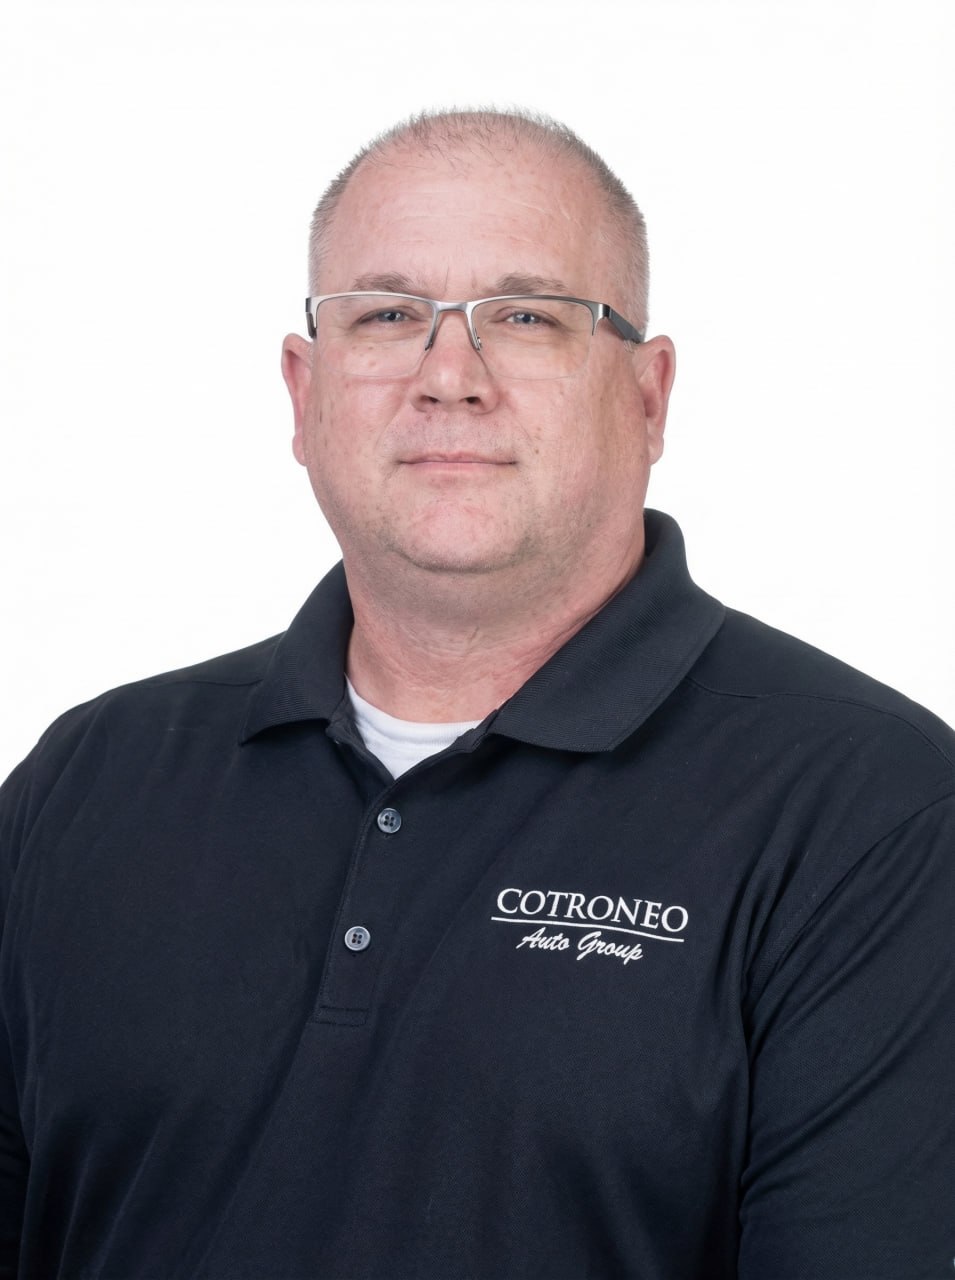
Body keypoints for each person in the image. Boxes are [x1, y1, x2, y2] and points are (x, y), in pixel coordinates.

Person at [0, 109, 952, 1280]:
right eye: (387, 315)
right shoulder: (86, 781)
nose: (449, 377)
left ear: (648, 396)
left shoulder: (873, 812)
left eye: (527, 316)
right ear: (303, 390)